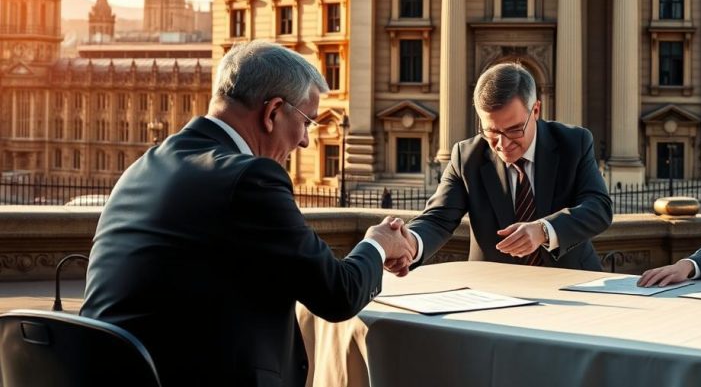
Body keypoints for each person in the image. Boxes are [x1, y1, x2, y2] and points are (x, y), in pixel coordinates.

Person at [81, 41, 414, 387]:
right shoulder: (249, 179)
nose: (305, 142)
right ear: (272, 113)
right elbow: (337, 294)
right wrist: (378, 244)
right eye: (307, 123)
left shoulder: (144, 165)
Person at [391, 62, 612, 273]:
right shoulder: (466, 157)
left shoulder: (574, 142)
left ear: (536, 110)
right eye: (492, 132)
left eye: (515, 130)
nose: (503, 144)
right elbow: (437, 219)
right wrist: (410, 243)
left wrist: (544, 230)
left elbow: (598, 208)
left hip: (572, 282)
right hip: (493, 289)